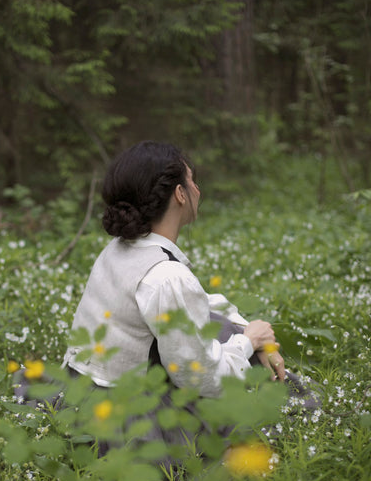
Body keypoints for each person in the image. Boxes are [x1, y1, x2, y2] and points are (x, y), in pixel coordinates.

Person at [63, 140, 288, 392]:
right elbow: (201, 379)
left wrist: (246, 328)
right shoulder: (167, 276)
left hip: (81, 387)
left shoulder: (118, 248)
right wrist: (249, 341)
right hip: (122, 407)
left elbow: (199, 305)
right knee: (259, 384)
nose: (198, 190)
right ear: (180, 194)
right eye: (192, 181)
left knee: (222, 326)